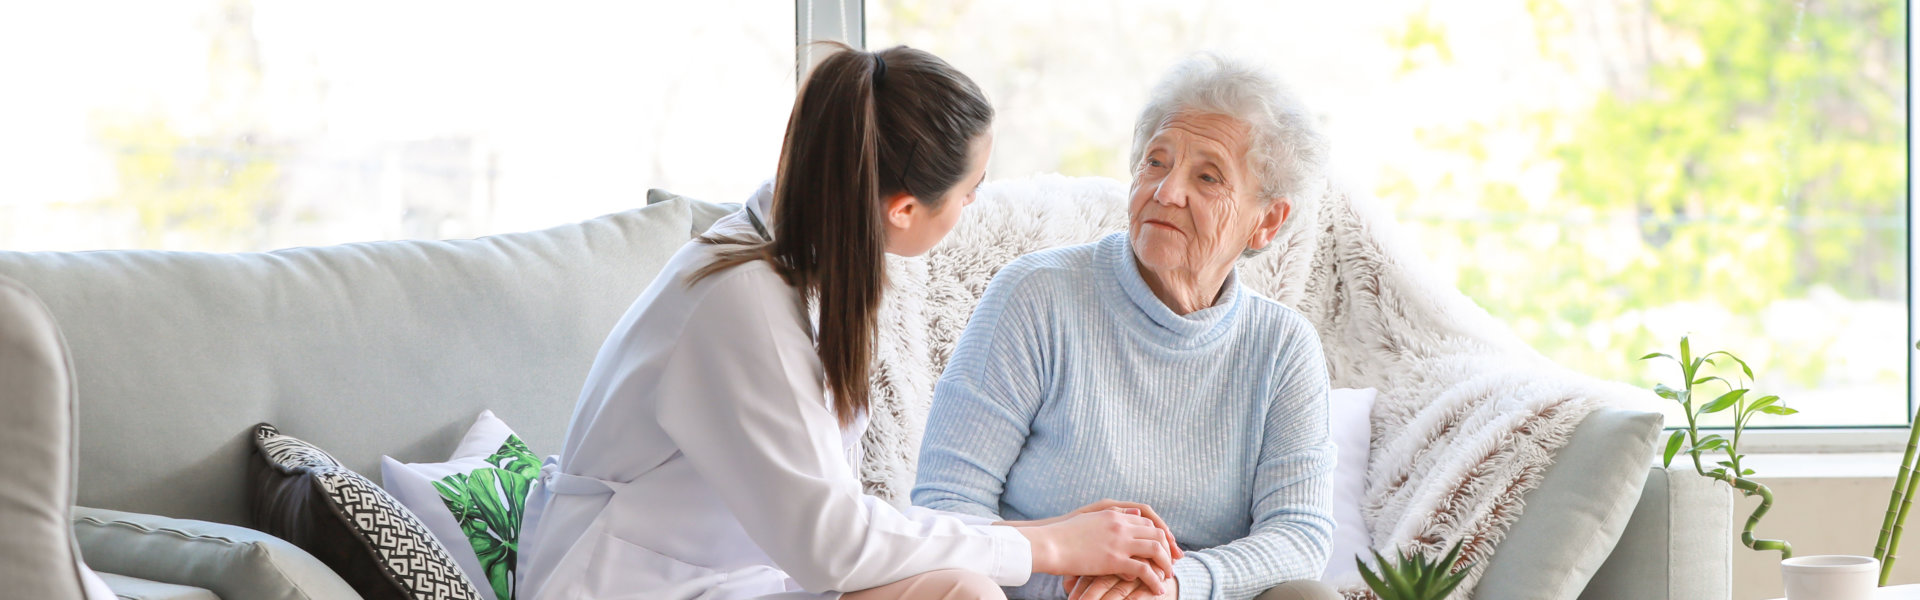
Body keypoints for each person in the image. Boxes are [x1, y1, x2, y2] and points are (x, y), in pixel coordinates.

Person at [514, 44, 1181, 600]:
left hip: (734, 571)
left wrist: (1043, 540)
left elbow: (832, 524)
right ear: (902, 209)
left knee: (962, 589)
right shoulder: (740, 302)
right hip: (633, 584)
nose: (976, 202)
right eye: (970, 189)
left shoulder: (809, 265)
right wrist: (1050, 543)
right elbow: (831, 544)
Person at [912, 53, 1341, 600]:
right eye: (1156, 163)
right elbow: (945, 506)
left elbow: (1299, 535)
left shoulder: (1283, 347)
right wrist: (1077, 583)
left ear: (1268, 221)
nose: (1166, 192)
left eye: (1207, 176)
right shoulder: (1037, 296)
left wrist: (1168, 585)